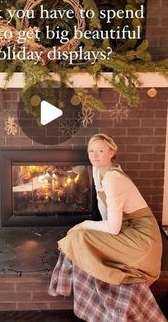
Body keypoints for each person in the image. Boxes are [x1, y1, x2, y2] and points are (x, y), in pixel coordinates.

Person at [48, 133, 166, 321]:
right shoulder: (97, 171)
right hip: (126, 229)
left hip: (143, 239)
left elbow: (112, 228)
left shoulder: (113, 178)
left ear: (112, 152)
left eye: (100, 150)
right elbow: (105, 213)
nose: (94, 155)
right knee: (79, 238)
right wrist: (95, 235)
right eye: (91, 151)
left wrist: (84, 225)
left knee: (78, 237)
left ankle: (66, 287)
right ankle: (69, 286)